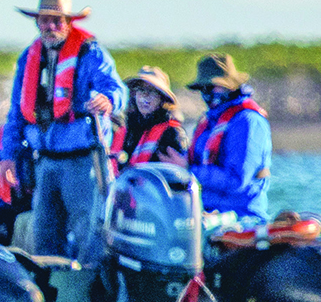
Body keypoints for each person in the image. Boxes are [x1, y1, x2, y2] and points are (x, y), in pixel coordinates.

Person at [0, 0, 125, 302]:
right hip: (46, 163)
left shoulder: (90, 52)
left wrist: (108, 101)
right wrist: (8, 157)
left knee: (89, 236)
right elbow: (16, 114)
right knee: (44, 234)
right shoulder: (28, 58)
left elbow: (116, 89)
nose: (50, 26)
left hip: (84, 161)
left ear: (69, 21)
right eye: (44, 20)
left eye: (57, 20)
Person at [186, 53, 271, 222]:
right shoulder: (210, 121)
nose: (207, 93)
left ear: (230, 86)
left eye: (212, 87)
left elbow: (237, 181)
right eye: (203, 88)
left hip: (242, 217)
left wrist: (188, 172)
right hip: (205, 214)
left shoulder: (248, 121)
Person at [114, 66, 189, 169]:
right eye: (141, 90)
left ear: (162, 98)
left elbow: (179, 173)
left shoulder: (173, 133)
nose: (145, 96)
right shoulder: (129, 129)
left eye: (152, 91)